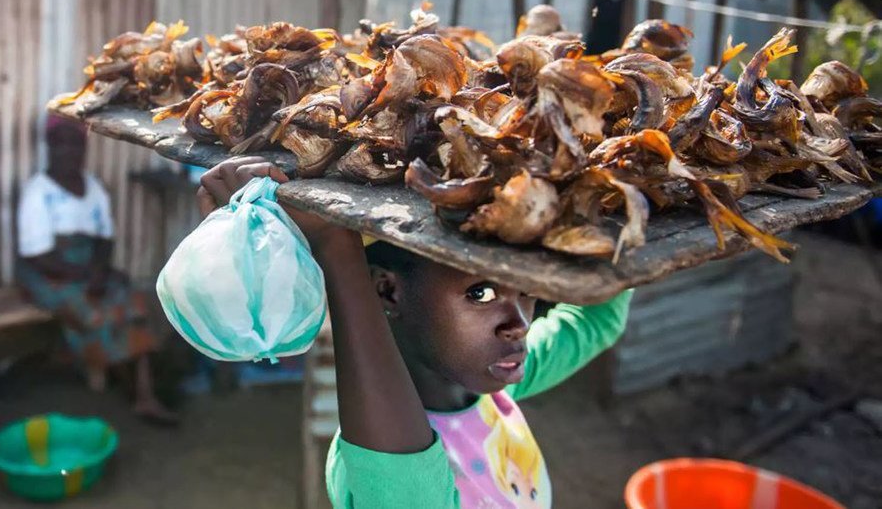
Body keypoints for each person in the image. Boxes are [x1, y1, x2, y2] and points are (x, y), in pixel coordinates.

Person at [193, 157, 633, 508]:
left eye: (528, 292)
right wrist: (334, 244)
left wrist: (612, 200)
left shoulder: (493, 392)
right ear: (386, 290)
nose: (519, 324)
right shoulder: (384, 470)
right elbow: (403, 477)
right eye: (480, 293)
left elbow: (597, 320)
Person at [16, 116, 177, 424]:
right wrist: (90, 276)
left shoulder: (92, 188)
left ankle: (144, 394)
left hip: (86, 268)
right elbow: (38, 257)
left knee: (135, 300)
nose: (67, 150)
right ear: (49, 147)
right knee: (96, 312)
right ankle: (131, 389)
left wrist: (101, 270)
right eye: (59, 142)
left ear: (84, 147)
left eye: (74, 142)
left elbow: (104, 239)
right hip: (47, 274)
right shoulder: (38, 192)